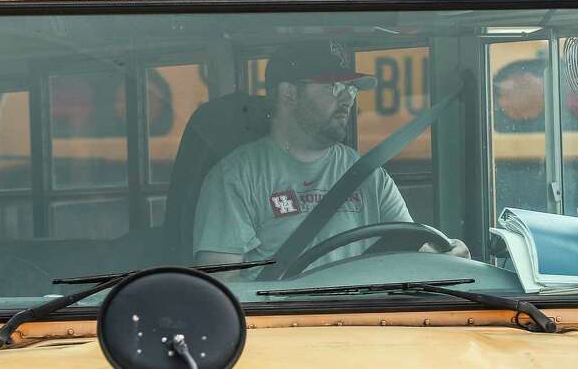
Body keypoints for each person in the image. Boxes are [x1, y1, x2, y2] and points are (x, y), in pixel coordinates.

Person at [193, 40, 470, 275]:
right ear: (289, 93)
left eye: (351, 89)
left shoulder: (370, 176)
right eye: (333, 87)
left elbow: (412, 250)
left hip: (365, 324)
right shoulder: (236, 177)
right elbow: (223, 285)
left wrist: (445, 257)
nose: (348, 99)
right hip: (281, 330)